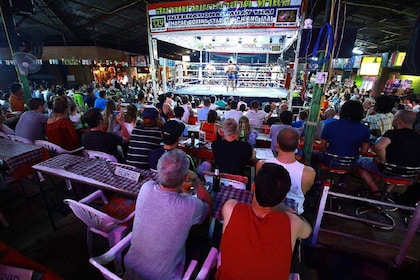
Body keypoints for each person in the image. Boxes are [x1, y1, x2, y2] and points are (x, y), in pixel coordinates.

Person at [124, 149, 212, 279]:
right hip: (164, 277)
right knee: (200, 241)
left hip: (130, 268)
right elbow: (208, 206)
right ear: (185, 177)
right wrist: (197, 180)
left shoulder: (146, 187)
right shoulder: (191, 206)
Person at [216, 163, 312, 279]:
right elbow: (308, 231)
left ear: (253, 187)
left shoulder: (230, 208)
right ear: (283, 197)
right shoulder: (292, 222)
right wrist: (286, 210)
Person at [357, 110, 420, 198]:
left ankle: (375, 191)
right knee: (398, 166)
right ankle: (386, 192)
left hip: (389, 171)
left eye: (394, 119)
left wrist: (383, 160)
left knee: (358, 162)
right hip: (410, 175)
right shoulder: (418, 137)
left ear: (399, 121)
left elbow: (379, 147)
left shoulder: (392, 134)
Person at [256, 128, 315, 215]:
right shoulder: (308, 173)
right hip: (293, 216)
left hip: (266, 211)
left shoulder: (262, 165)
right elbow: (305, 191)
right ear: (297, 145)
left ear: (277, 144)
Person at [314, 100, 370, 169]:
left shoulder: (330, 125)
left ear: (342, 111)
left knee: (313, 154)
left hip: (330, 160)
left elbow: (322, 147)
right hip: (351, 163)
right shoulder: (365, 129)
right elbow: (364, 151)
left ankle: (316, 177)